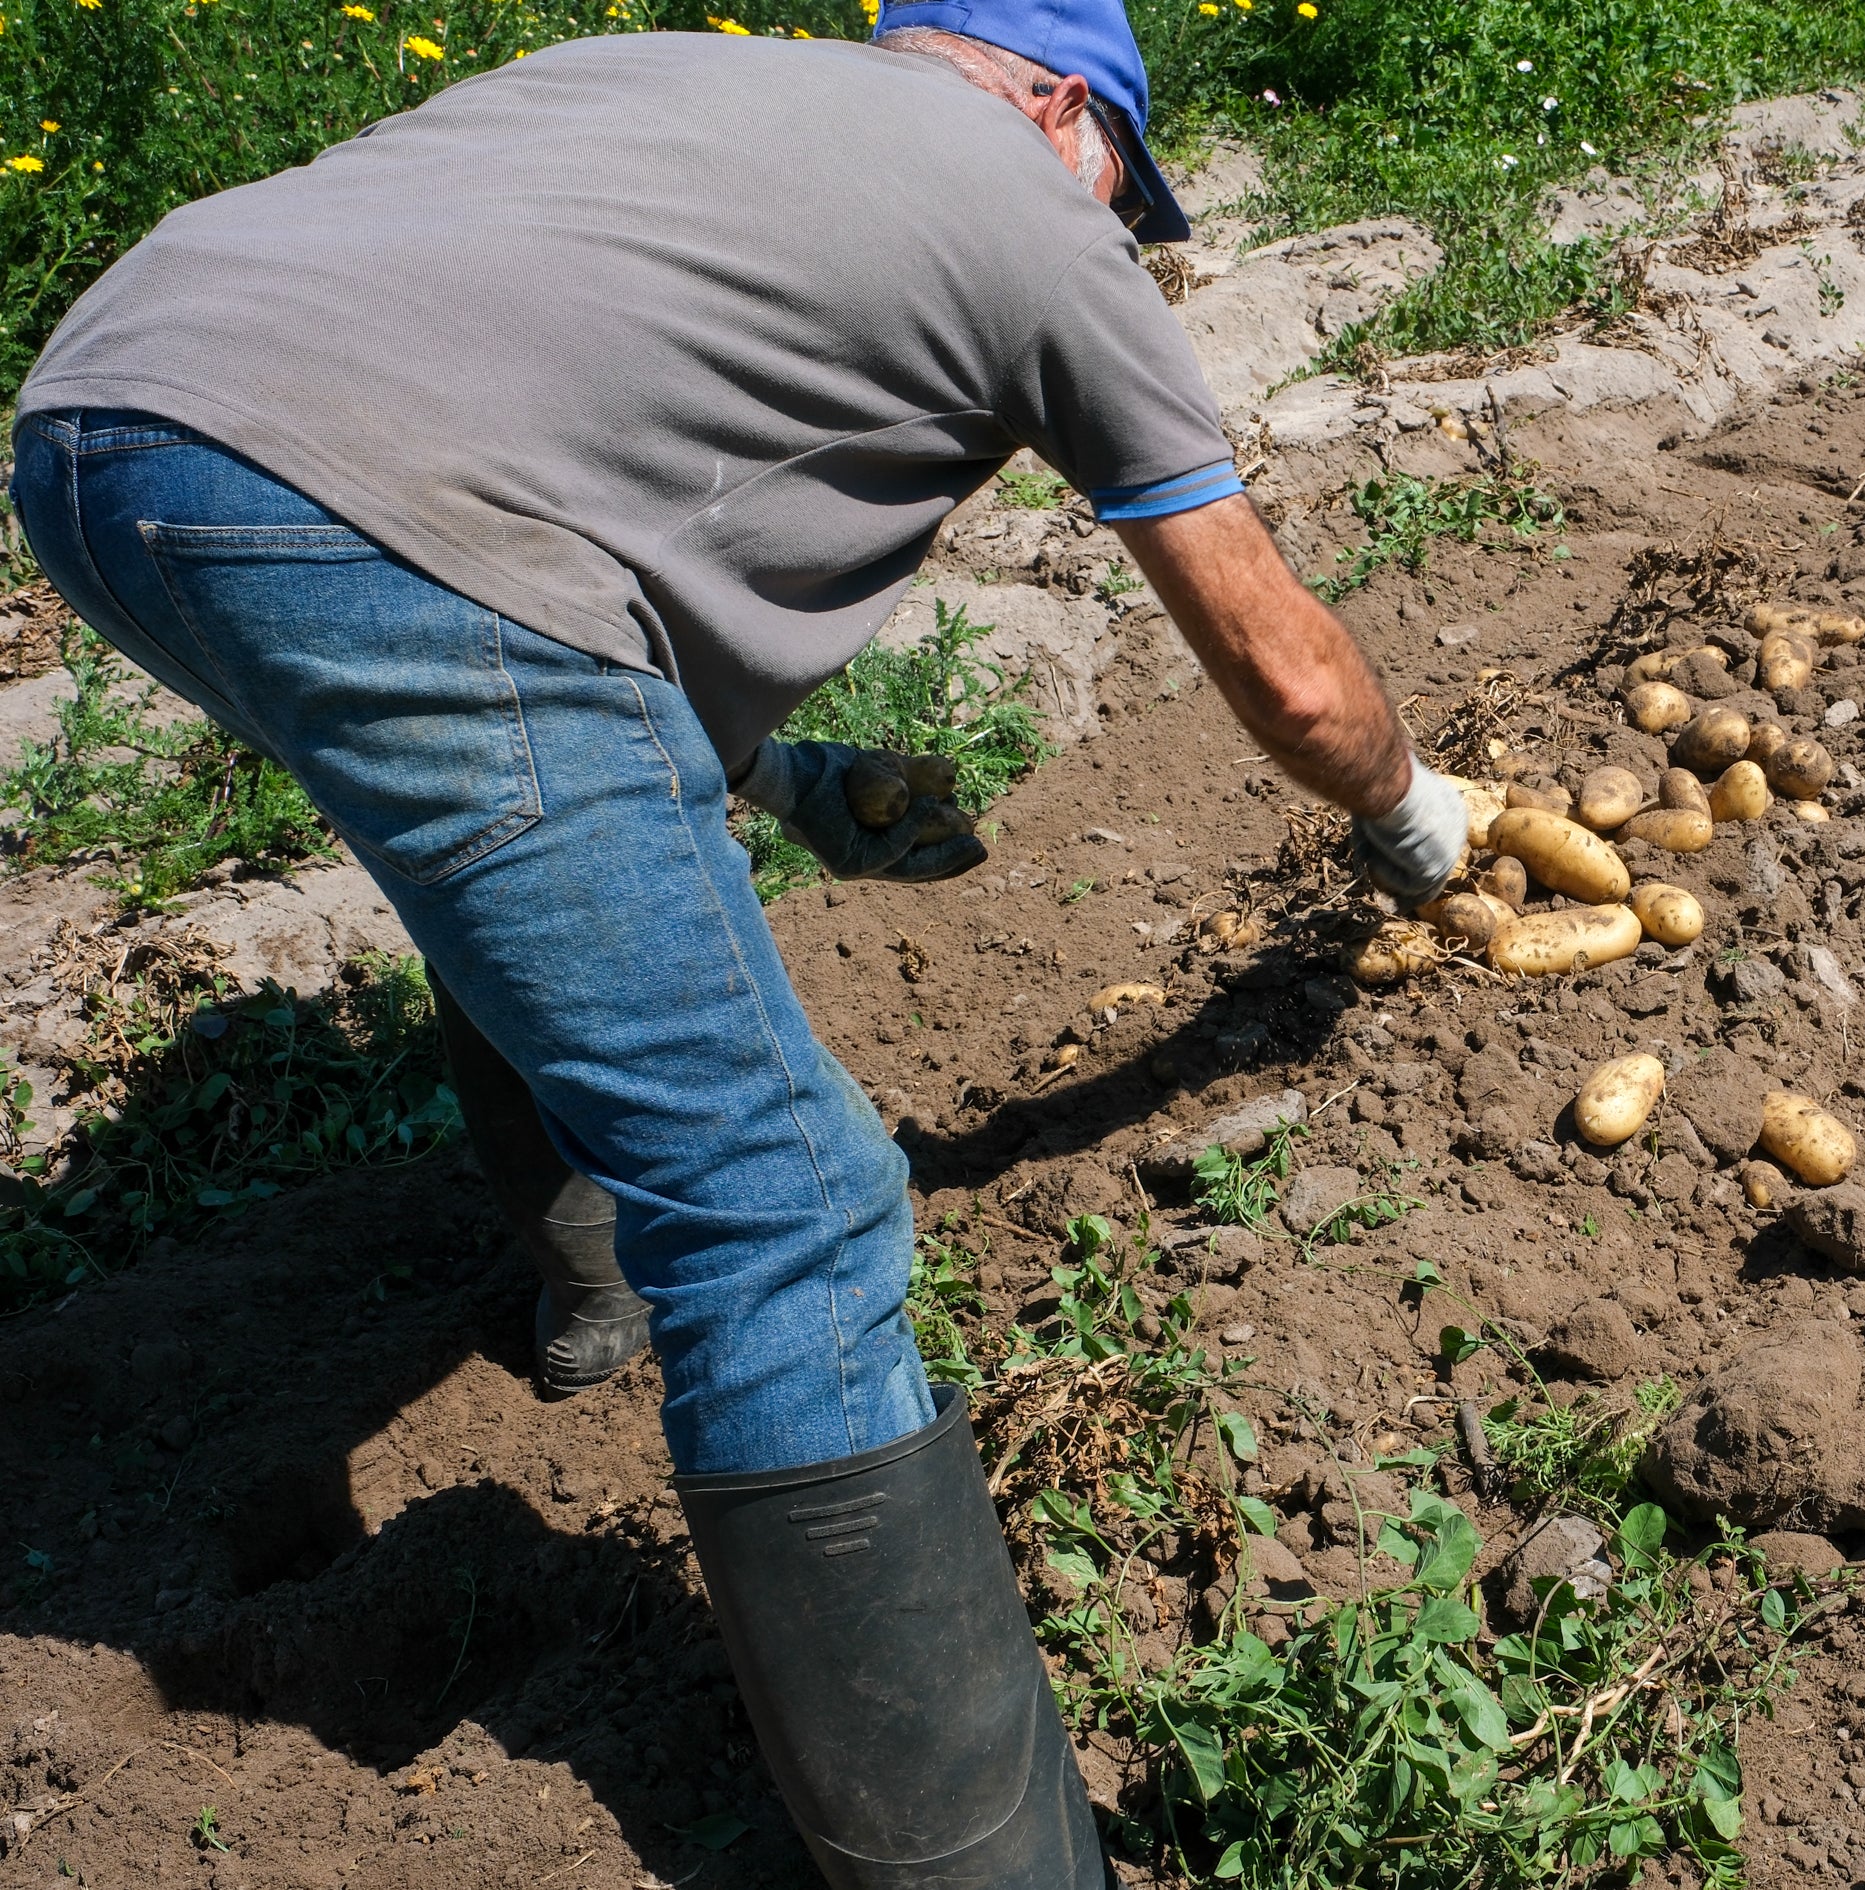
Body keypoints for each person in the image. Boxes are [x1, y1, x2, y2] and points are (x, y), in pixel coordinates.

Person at [8, 2, 1468, 1881]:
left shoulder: (672, 79)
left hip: (106, 424)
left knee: (499, 836)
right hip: (351, 503)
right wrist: (1414, 815)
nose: (1122, 224)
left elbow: (531, 490)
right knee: (787, 1205)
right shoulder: (1032, 211)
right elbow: (1286, 669)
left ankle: (592, 1286)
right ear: (1061, 112)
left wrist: (784, 780)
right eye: (1125, 185)